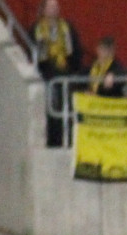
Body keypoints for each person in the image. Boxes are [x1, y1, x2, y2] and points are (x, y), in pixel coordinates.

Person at [32, 0, 82, 146]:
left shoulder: (66, 27)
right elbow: (32, 51)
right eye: (51, 7)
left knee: (67, 109)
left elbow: (76, 51)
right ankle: (53, 141)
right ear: (44, 9)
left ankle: (68, 140)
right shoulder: (37, 29)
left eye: (56, 6)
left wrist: (74, 70)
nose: (55, 9)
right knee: (51, 110)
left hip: (65, 74)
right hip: (47, 75)